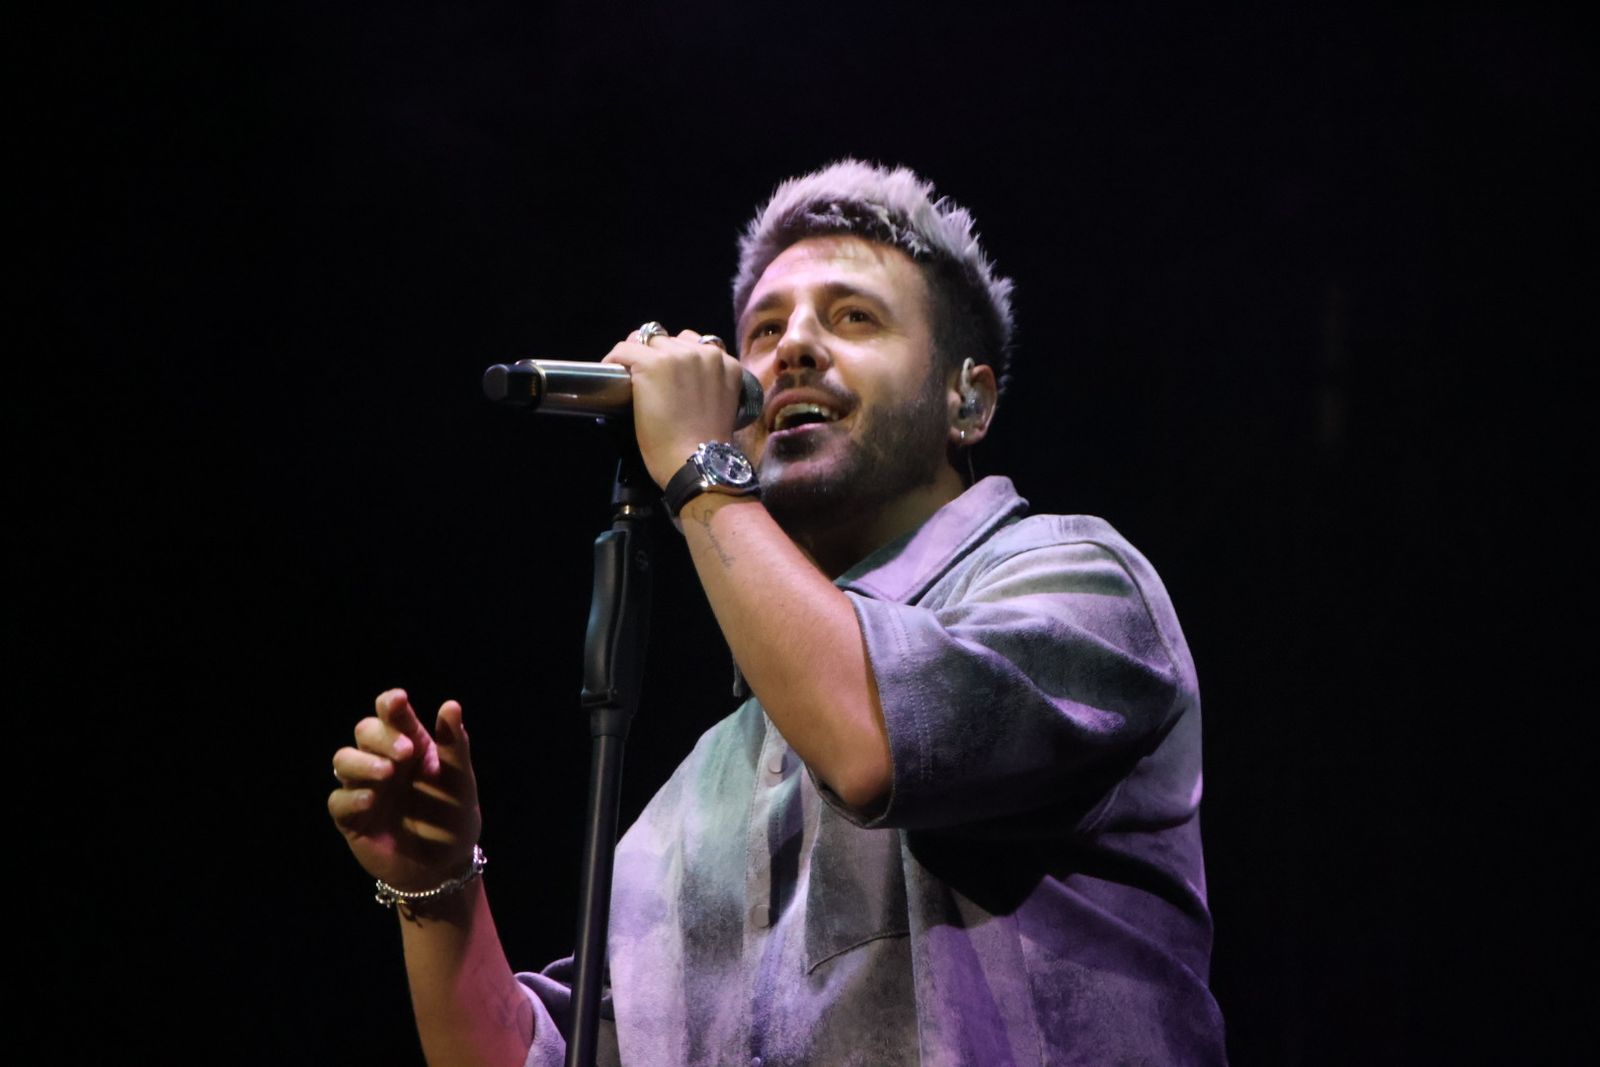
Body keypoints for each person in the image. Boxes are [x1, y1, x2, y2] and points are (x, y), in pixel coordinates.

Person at [329, 160, 1228, 1066]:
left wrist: (696, 467)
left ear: (969, 399)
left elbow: (873, 743)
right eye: (764, 329)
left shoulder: (1080, 586)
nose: (793, 346)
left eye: (854, 316)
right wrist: (439, 887)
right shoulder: (691, 807)